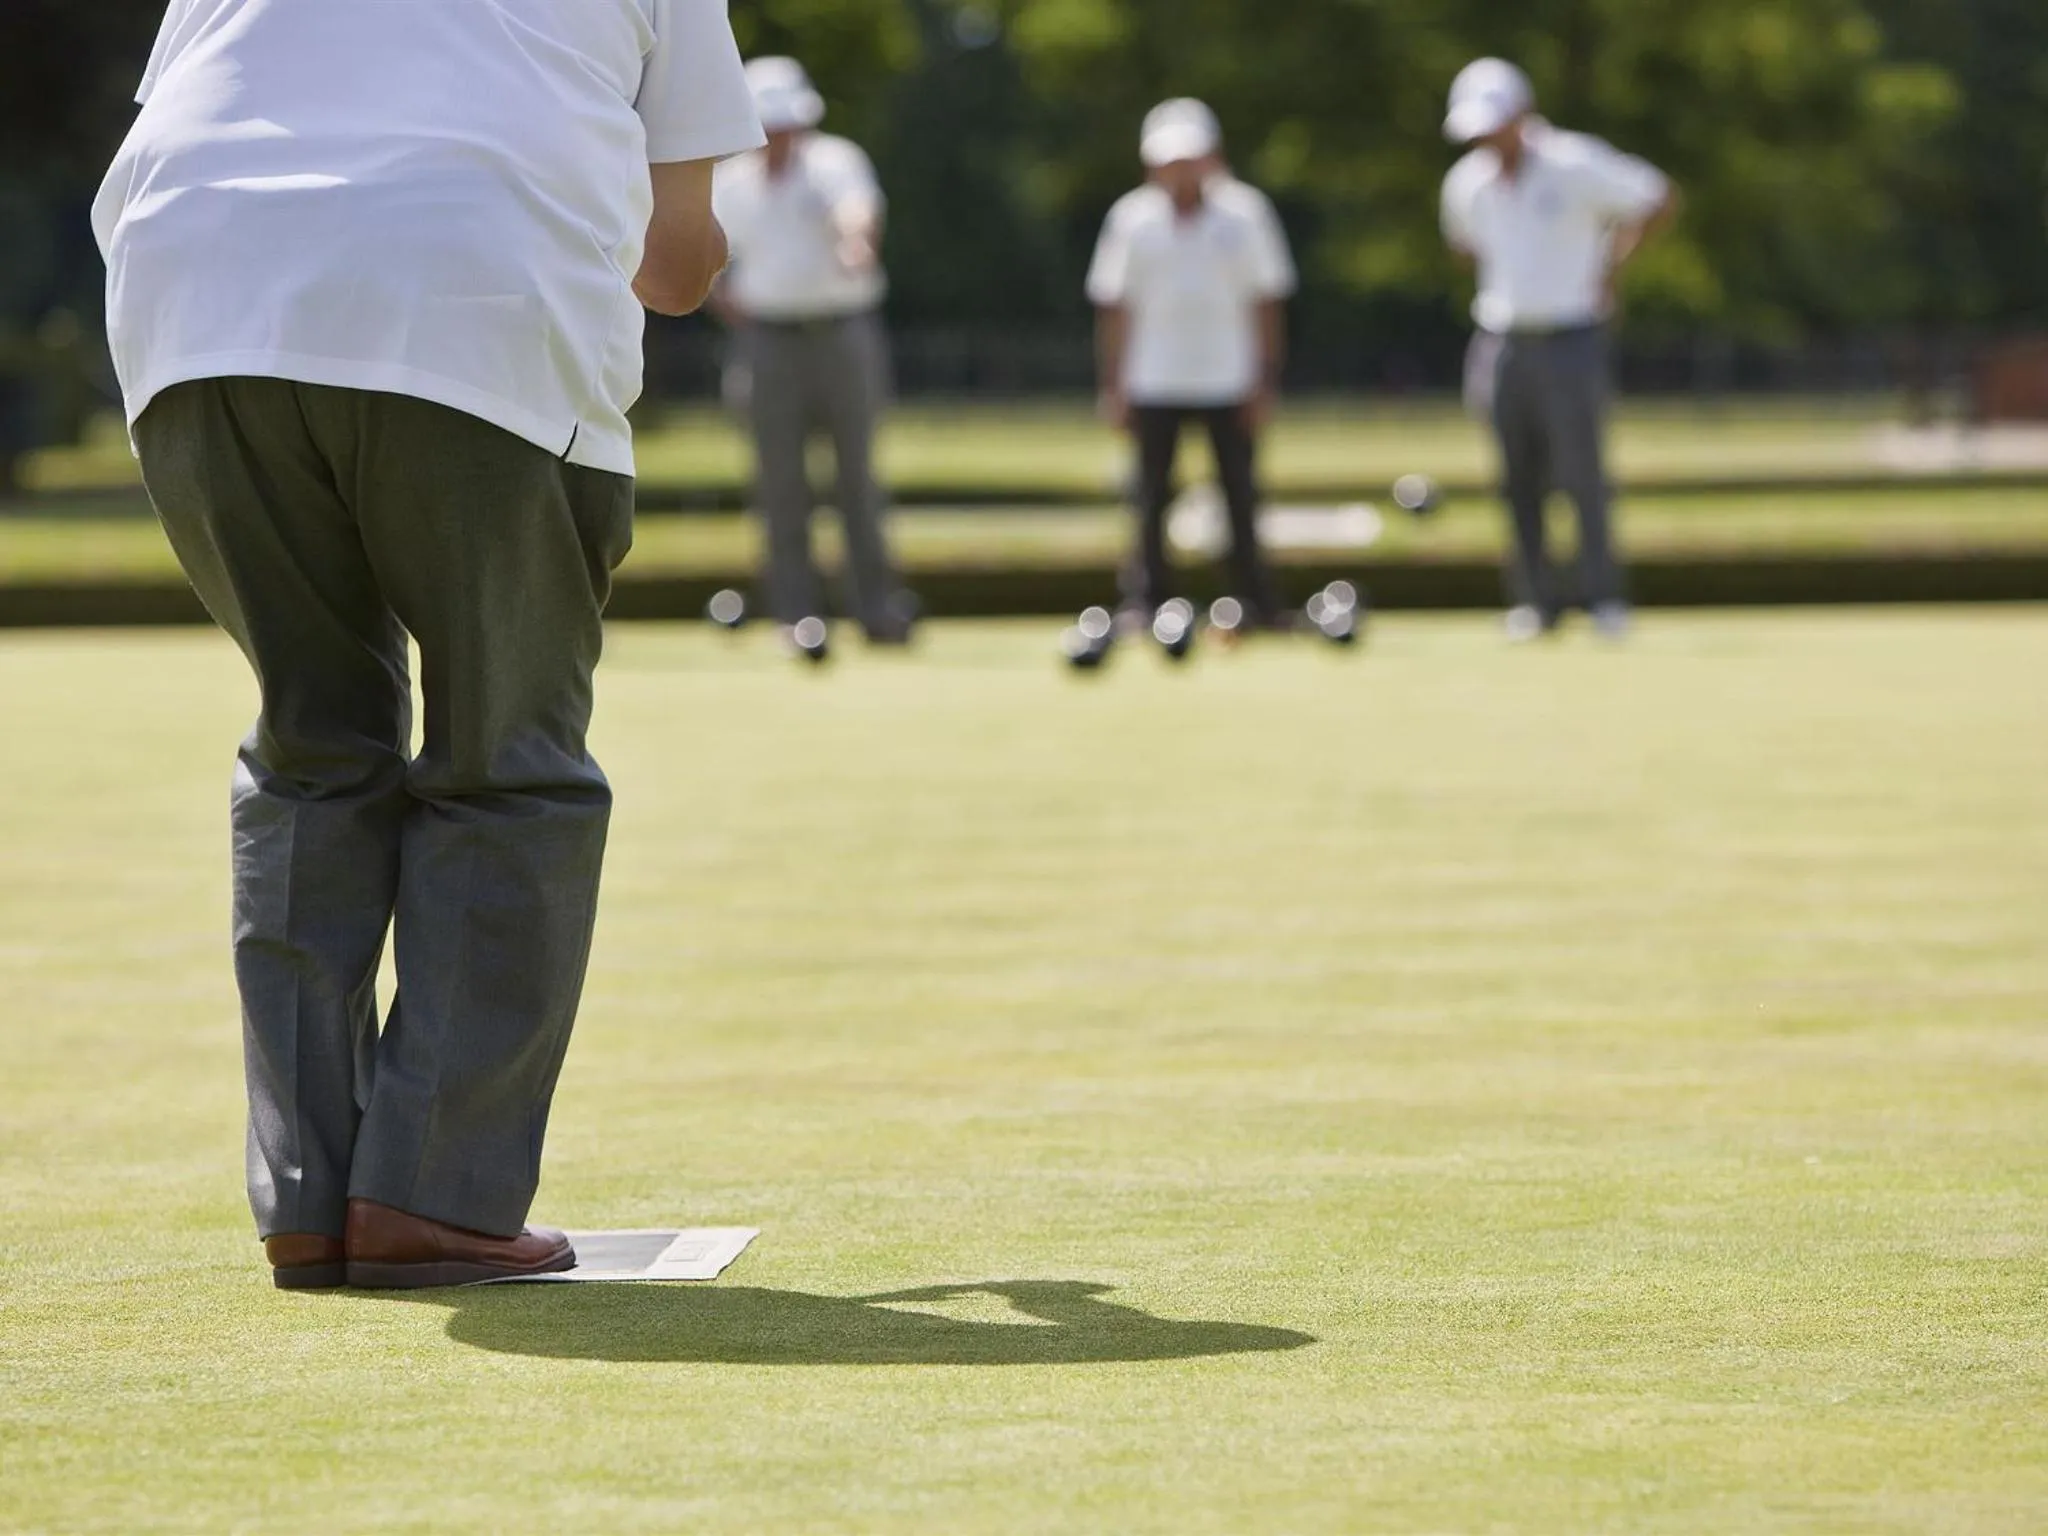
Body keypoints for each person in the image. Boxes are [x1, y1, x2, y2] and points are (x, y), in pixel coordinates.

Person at [92, 0, 762, 1290]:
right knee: (511, 763)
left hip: (191, 304)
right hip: (468, 293)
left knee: (311, 747)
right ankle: (432, 1199)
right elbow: (676, 267)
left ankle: (304, 1197)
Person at [1440, 59, 1678, 641]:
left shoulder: (1575, 162)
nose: (1485, 139)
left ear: (1522, 115)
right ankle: (1536, 603)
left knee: (1582, 476)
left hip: (1572, 336)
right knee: (1516, 477)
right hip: (1500, 340)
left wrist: (1611, 267)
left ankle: (1602, 600)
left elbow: (1656, 198)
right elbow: (1464, 248)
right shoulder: (1466, 182)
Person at [713, 57, 910, 649]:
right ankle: (795, 616)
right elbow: (709, 257)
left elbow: (857, 211)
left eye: (787, 125)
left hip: (842, 333)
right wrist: (729, 306)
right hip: (767, 342)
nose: (779, 136)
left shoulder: (836, 161)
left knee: (857, 476)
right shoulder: (731, 182)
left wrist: (855, 242)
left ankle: (877, 611)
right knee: (778, 484)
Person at [1088, 101, 1297, 628]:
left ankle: (1256, 601)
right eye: (1168, 162)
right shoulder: (1131, 219)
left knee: (1241, 495)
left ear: (1211, 158)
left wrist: (1265, 380)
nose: (1179, 172)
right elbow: (1114, 306)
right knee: (1150, 497)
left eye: (1189, 159)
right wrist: (1113, 385)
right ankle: (1145, 602)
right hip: (1153, 377)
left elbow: (1267, 300)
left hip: (1229, 376)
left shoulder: (1247, 214)